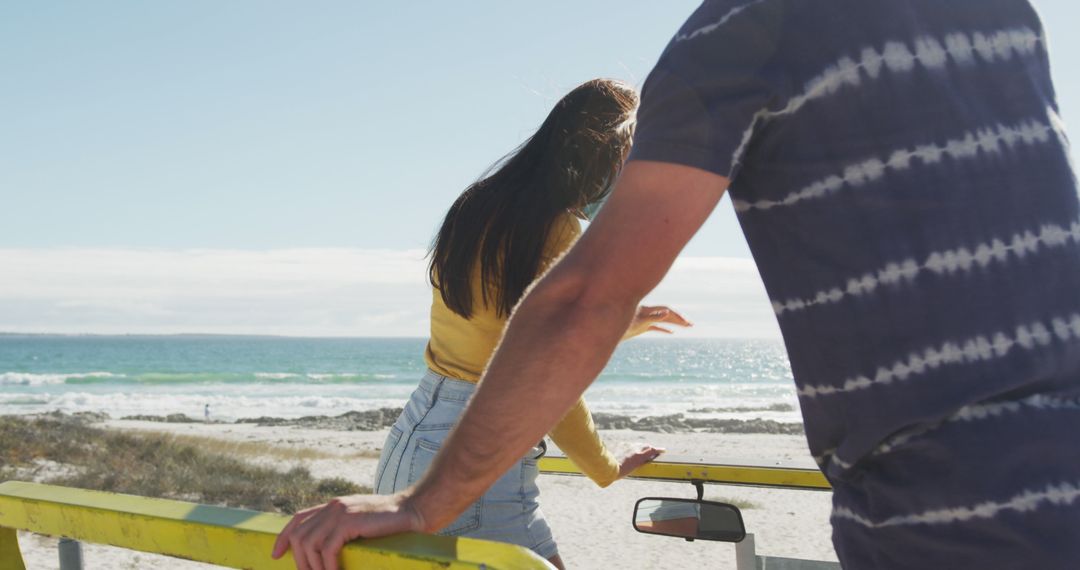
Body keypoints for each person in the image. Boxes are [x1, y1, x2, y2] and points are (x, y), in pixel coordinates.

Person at [273, 1, 1079, 568]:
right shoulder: (1001, 13)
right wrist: (587, 463)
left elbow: (555, 316)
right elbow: (567, 317)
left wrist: (422, 496)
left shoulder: (484, 208)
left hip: (946, 505)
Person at [276, 78, 688, 570]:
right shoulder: (558, 230)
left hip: (411, 441)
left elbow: (494, 328)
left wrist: (617, 326)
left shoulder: (477, 205)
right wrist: (606, 467)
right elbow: (546, 382)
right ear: (606, 153)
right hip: (478, 462)